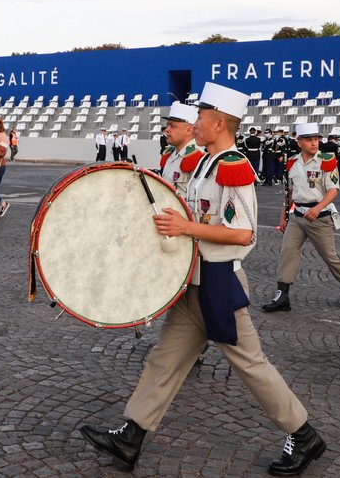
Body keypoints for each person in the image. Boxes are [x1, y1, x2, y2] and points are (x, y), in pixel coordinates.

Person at [79, 82, 326, 477]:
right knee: (165, 361)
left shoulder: (233, 166)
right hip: (193, 281)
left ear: (218, 122)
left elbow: (244, 233)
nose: (194, 124)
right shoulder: (207, 164)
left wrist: (186, 227)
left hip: (218, 282)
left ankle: (304, 434)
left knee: (252, 366)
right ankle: (131, 435)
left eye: (200, 118)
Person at [262, 122, 340, 313]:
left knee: (329, 256)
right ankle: (283, 294)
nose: (314, 143)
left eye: (316, 139)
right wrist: (283, 218)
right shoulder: (292, 162)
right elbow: (288, 193)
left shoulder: (326, 160)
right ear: (300, 142)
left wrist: (319, 208)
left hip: (319, 217)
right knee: (287, 252)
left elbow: (333, 190)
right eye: (309, 140)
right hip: (297, 217)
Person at [159, 101, 203, 197]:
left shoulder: (198, 158)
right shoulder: (170, 154)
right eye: (167, 125)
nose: (166, 129)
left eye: (173, 126)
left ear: (189, 130)